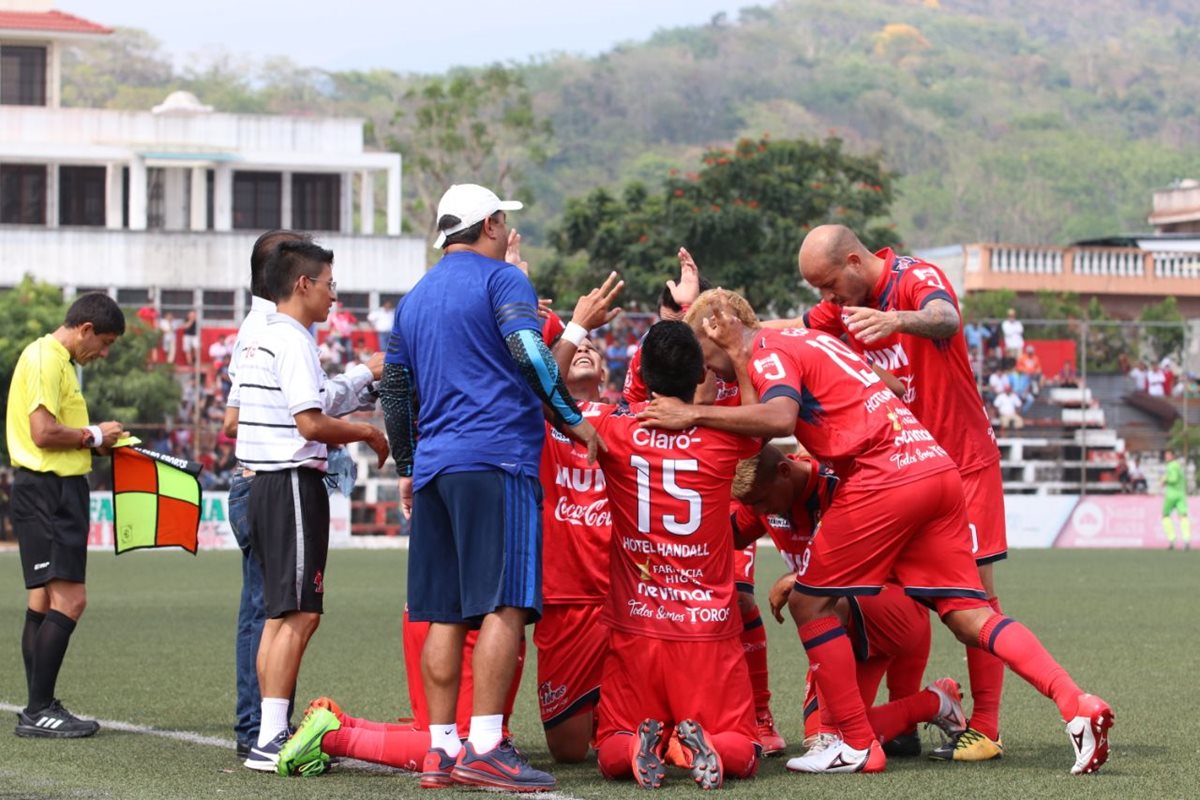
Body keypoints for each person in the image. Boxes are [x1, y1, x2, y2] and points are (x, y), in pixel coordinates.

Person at [640, 288, 1113, 776]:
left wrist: (692, 412)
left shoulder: (770, 352)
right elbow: (883, 384)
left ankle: (858, 744)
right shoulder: (807, 342)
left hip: (881, 473)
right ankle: (1076, 703)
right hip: (931, 464)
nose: (705, 370)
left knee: (808, 602)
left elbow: (778, 418)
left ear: (721, 324)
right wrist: (737, 359)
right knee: (969, 615)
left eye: (703, 353)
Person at [380, 183, 602, 792]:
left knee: (447, 614)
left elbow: (395, 393)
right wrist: (574, 420)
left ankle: (440, 749)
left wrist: (406, 464)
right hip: (496, 459)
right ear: (492, 223)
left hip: (434, 469)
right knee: (505, 603)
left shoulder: (415, 297)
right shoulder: (502, 279)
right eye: (505, 224)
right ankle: (484, 745)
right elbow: (529, 352)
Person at [792, 225, 1014, 761]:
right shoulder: (844, 304)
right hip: (901, 474)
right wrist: (714, 324)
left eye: (827, 285)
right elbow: (788, 331)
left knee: (972, 600)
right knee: (878, 598)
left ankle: (985, 725)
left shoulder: (916, 278)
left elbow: (946, 317)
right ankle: (899, 721)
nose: (826, 299)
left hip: (961, 464)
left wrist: (895, 320)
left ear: (852, 260)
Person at [234, 240, 389, 771]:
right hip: (291, 483)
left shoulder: (262, 338)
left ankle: (266, 732)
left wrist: (361, 380)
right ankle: (271, 735)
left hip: (266, 487)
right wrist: (367, 432)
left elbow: (316, 402)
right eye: (329, 285)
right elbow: (311, 422)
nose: (333, 296)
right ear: (303, 284)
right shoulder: (293, 340)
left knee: (281, 615)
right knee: (299, 613)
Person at [589, 321, 762, 789]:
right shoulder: (726, 437)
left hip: (637, 626)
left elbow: (552, 405)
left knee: (608, 749)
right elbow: (760, 418)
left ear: (640, 374)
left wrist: (577, 329)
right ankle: (695, 743)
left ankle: (636, 746)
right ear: (701, 373)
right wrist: (739, 358)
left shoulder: (614, 428)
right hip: (706, 630)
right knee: (743, 750)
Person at [731, 445, 962, 757]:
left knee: (815, 603)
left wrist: (800, 579)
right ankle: (934, 702)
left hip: (895, 609)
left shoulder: (841, 486)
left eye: (760, 502)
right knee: (847, 736)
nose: (758, 511)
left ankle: (844, 731)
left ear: (785, 472)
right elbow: (726, 535)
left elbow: (871, 569)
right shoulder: (770, 496)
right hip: (848, 626)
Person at [6, 293, 126, 738]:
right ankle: (39, 710)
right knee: (71, 601)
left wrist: (96, 442)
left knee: (42, 601)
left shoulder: (56, 360)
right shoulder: (46, 358)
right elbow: (43, 433)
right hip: (49, 491)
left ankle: (39, 705)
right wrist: (95, 433)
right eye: (105, 342)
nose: (105, 353)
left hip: (51, 490)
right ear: (86, 330)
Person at [1161, 449, 1191, 551]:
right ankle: (1186, 539)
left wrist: (1165, 480)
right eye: (1166, 455)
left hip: (1171, 495)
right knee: (1183, 516)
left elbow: (1173, 479)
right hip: (1181, 494)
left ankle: (1172, 539)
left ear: (1173, 456)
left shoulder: (1171, 466)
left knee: (1165, 515)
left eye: (1168, 455)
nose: (1166, 457)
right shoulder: (1178, 465)